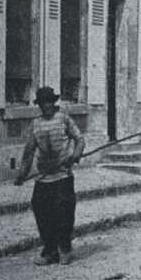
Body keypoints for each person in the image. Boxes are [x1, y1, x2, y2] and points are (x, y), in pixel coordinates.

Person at [14, 87, 85, 265]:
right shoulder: (36, 124)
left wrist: (76, 154)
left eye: (49, 102)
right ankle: (50, 251)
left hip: (63, 176)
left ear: (53, 103)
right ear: (39, 105)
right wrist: (22, 174)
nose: (46, 106)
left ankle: (65, 250)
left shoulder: (63, 118)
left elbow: (80, 139)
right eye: (43, 103)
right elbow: (29, 152)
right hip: (43, 177)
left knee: (64, 215)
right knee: (41, 212)